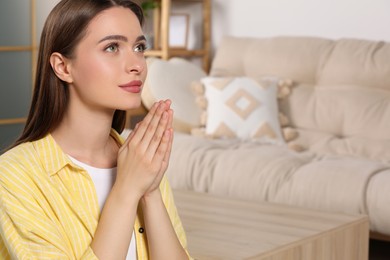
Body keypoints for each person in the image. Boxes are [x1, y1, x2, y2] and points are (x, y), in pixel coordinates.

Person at [0, 0, 190, 259]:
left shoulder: (140, 157)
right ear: (63, 67)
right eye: (112, 47)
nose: (137, 64)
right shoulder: (12, 176)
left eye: (139, 47)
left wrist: (151, 191)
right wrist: (127, 189)